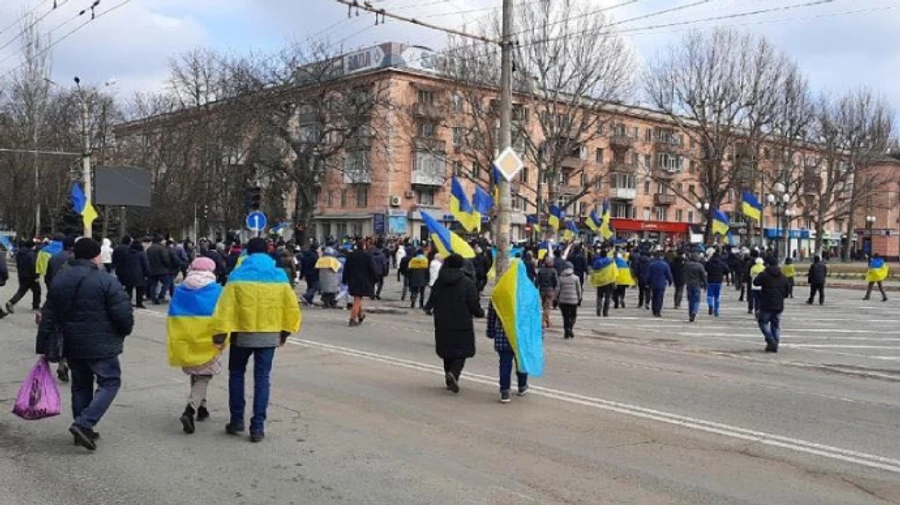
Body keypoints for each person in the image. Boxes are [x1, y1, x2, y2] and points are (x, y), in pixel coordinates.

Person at [36, 238, 134, 451]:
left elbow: (48, 314)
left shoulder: (60, 279)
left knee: (80, 385)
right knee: (110, 382)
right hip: (101, 343)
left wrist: (42, 344)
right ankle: (84, 423)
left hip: (71, 342)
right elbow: (122, 312)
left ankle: (82, 428)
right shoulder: (105, 280)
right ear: (95, 256)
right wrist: (124, 331)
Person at [210, 237, 301, 443]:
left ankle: (236, 420)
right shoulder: (279, 276)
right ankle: (257, 427)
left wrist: (220, 334)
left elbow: (226, 308)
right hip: (269, 335)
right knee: (262, 379)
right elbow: (290, 307)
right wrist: (285, 332)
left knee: (236, 374)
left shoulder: (238, 275)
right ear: (268, 252)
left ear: (247, 253)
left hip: (242, 334)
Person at [166, 258, 224, 434]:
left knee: (196, 372)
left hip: (186, 337)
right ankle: (190, 409)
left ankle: (202, 407)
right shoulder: (217, 290)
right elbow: (222, 315)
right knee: (204, 375)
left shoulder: (181, 289)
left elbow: (172, 314)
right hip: (208, 339)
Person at [423, 254, 484, 394]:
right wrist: (479, 312)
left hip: (442, 321)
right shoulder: (467, 282)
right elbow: (473, 303)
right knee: (462, 350)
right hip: (462, 321)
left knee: (447, 350)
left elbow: (433, 298)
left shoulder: (440, 280)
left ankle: (448, 376)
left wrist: (428, 307)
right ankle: (454, 374)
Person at [486, 303, 529, 403]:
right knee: (521, 362)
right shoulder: (525, 291)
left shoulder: (499, 292)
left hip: (503, 335)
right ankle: (522, 385)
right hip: (521, 335)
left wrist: (490, 331)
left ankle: (505, 391)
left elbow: (492, 315)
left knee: (505, 364)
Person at [754, 256, 791, 353]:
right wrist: (782, 296)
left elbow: (755, 282)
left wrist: (762, 273)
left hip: (766, 303)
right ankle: (775, 344)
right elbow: (787, 290)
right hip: (779, 304)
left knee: (762, 322)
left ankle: (770, 340)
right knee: (776, 325)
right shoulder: (782, 276)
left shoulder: (765, 275)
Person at [343, 240, 377, 326]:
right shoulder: (367, 256)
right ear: (364, 246)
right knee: (357, 299)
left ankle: (360, 315)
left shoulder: (350, 255)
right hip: (363, 280)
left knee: (357, 298)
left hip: (352, 280)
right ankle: (352, 318)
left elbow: (346, 268)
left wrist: (344, 279)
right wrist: (376, 278)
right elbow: (372, 268)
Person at [5, 240, 41, 314]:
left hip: (22, 275)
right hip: (31, 276)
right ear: (32, 246)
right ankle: (35, 307)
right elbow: (33, 266)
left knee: (22, 290)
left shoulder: (20, 253)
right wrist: (36, 276)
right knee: (37, 291)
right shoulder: (32, 254)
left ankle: (11, 302)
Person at [120, 240, 150, 309]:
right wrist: (147, 273)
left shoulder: (127, 253)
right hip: (140, 274)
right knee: (140, 290)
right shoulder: (142, 253)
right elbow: (146, 264)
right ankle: (139, 303)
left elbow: (123, 264)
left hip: (128, 274)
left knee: (129, 289)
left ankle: (128, 302)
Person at [556, 261, 582, 339]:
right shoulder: (576, 278)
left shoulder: (560, 278)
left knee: (565, 317)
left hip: (563, 301)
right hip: (573, 301)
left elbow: (557, 289)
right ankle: (570, 327)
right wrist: (579, 298)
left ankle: (566, 333)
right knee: (573, 315)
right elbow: (579, 289)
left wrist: (555, 298)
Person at [147, 236, 173, 304]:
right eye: (163, 240)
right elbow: (165, 259)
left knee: (153, 284)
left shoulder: (149, 249)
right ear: (160, 241)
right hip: (162, 269)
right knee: (167, 283)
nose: (165, 241)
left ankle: (153, 298)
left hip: (152, 269)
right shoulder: (162, 248)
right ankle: (161, 296)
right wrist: (168, 266)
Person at [535, 257, 559, 328]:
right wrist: (554, 289)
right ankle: (542, 322)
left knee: (544, 306)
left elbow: (537, 281)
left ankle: (548, 322)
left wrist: (536, 289)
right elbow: (556, 281)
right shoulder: (553, 271)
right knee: (547, 307)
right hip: (550, 290)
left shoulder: (540, 270)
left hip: (542, 290)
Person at [683, 253, 707, 323]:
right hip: (697, 284)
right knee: (696, 300)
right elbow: (704, 276)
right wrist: (705, 284)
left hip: (689, 284)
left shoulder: (687, 265)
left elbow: (683, 272)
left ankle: (690, 314)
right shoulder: (700, 266)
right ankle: (694, 312)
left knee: (690, 300)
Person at [647, 252, 673, 317]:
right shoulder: (665, 265)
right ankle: (658, 311)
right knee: (660, 297)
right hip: (661, 283)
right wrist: (670, 281)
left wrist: (647, 282)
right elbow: (668, 274)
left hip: (653, 283)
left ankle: (654, 309)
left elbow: (648, 275)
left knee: (654, 296)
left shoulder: (652, 264)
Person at [591, 253, 616, 318]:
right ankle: (605, 312)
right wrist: (614, 281)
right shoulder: (611, 262)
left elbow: (594, 272)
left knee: (599, 296)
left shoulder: (597, 262)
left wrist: (593, 280)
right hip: (608, 281)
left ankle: (598, 309)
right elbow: (615, 272)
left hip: (600, 282)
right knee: (607, 297)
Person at [704, 251, 728, 317]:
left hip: (710, 280)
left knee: (710, 295)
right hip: (718, 281)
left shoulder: (709, 263)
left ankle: (710, 305)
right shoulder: (721, 263)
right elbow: (727, 270)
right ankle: (716, 310)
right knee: (717, 296)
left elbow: (705, 268)